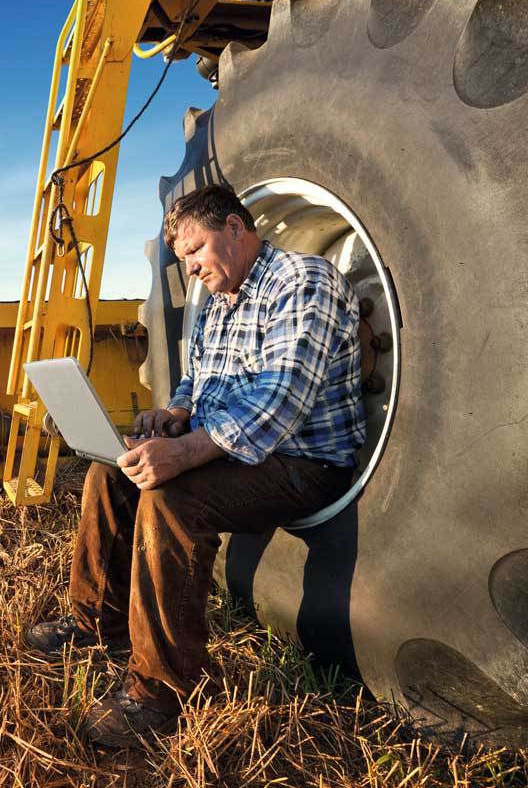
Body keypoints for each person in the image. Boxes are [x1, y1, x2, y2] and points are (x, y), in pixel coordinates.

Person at [23, 183, 366, 747]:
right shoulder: (219, 301)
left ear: (236, 227)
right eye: (181, 258)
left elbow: (282, 397)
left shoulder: (303, 282)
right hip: (235, 452)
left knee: (171, 497)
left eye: (195, 250)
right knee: (110, 474)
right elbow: (197, 378)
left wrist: (184, 453)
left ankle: (161, 690)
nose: (190, 268)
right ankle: (94, 624)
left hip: (302, 460)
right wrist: (175, 414)